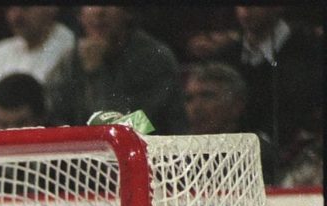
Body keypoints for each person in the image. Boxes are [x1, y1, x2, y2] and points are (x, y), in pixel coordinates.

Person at [198, 6, 322, 183]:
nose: (246, 11)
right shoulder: (225, 56)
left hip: (295, 163)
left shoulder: (310, 52)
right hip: (231, 163)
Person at [45, 6, 186, 133]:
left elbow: (133, 128)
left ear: (127, 12)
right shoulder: (71, 60)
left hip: (154, 152)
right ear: (80, 16)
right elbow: (52, 116)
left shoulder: (155, 57)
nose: (99, 11)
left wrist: (95, 73)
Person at [0, 6, 75, 130]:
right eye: (10, 7)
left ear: (51, 8)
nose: (16, 16)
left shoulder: (71, 49)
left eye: (25, 7)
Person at [183, 61, 277, 184]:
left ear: (236, 104)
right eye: (189, 99)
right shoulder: (178, 153)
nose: (196, 107)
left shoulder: (255, 150)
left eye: (207, 96)